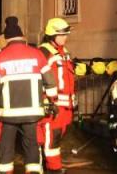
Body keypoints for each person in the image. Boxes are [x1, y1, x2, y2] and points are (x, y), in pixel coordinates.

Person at [0, 17, 58, 174]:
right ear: (22, 37)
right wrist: (53, 101)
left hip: (8, 116)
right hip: (32, 115)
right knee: (32, 148)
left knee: (5, 149)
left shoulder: (0, 57)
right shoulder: (37, 54)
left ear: (6, 38)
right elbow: (50, 81)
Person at [39, 17, 75, 174]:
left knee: (57, 138)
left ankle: (53, 165)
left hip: (66, 107)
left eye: (66, 34)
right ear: (51, 35)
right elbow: (40, 80)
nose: (65, 37)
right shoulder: (43, 53)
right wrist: (46, 102)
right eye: (61, 35)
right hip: (53, 106)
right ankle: (53, 169)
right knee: (50, 138)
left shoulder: (63, 51)